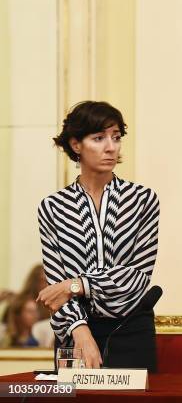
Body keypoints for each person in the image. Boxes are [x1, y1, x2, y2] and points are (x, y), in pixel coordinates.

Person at [37, 101, 160, 371]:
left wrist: (77, 285)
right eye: (98, 138)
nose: (111, 147)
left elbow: (136, 278)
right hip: (73, 332)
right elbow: (56, 288)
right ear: (76, 144)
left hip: (131, 331)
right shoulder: (52, 207)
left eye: (116, 138)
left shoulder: (142, 200)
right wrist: (80, 331)